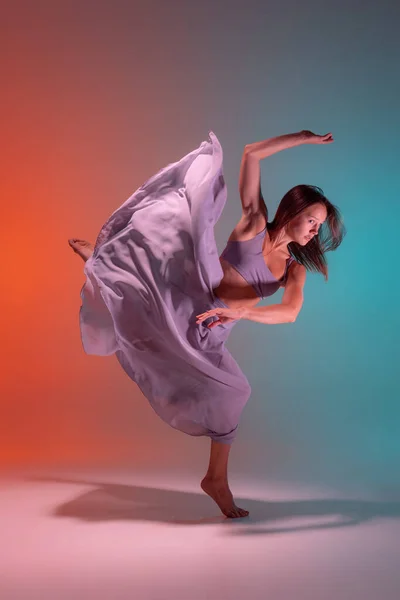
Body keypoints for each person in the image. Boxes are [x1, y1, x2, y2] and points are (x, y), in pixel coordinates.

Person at [68, 130, 345, 519]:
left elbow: (290, 311)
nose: (315, 231)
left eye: (320, 226)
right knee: (145, 301)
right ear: (294, 212)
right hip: (191, 305)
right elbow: (251, 153)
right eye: (313, 220)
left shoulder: (293, 270)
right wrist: (303, 137)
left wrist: (244, 313)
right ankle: (100, 262)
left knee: (234, 392)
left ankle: (215, 479)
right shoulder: (254, 224)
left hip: (211, 336)